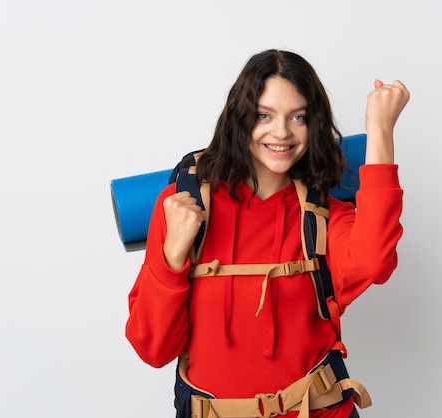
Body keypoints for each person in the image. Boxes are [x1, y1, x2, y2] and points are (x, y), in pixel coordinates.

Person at [126, 49, 409, 418]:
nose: (281, 132)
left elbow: (374, 263)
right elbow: (153, 349)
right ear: (239, 118)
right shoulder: (184, 205)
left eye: (298, 117)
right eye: (264, 115)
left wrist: (381, 131)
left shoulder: (324, 216)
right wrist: (172, 256)